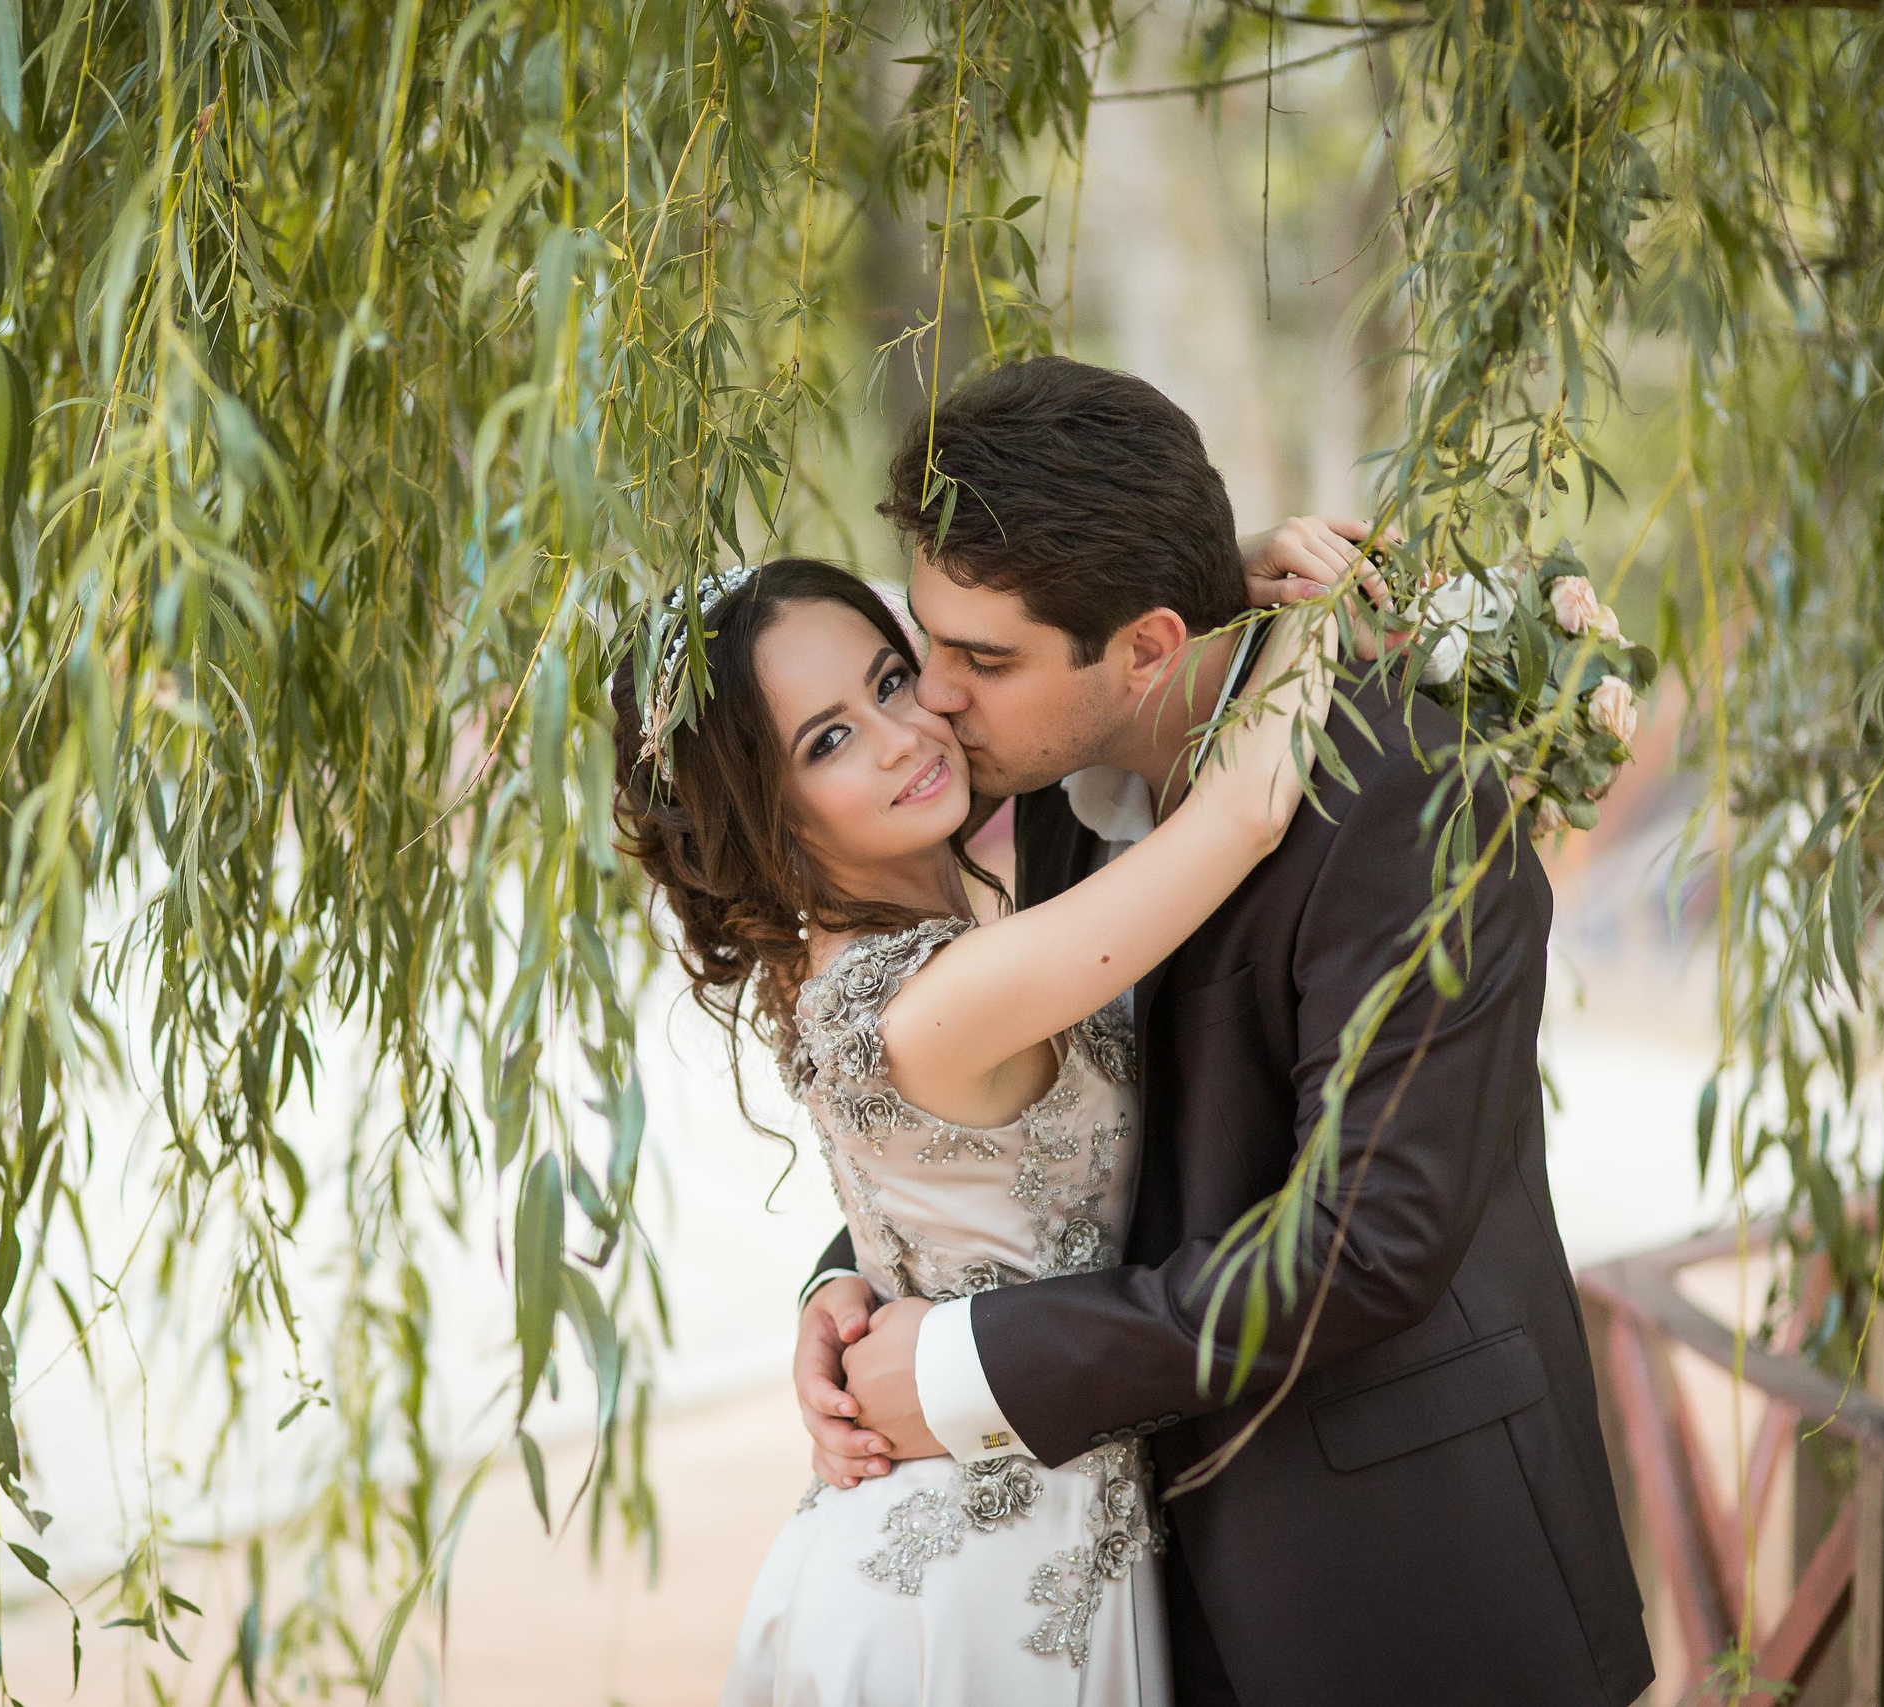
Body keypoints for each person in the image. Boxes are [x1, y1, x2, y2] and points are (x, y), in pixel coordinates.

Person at [791, 357, 1654, 1707]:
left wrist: (973, 1361)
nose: (939, 701)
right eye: (929, 645)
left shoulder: (1404, 800)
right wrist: (856, 1277)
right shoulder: (1072, 791)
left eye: (984, 659)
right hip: (1150, 1599)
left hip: (1403, 1586)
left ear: (1143, 646)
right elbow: (1066, 1121)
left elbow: (1365, 1248)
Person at [612, 544, 1335, 1704]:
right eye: (828, 740)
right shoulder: (945, 994)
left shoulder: (850, 957)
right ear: (767, 816)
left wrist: (1173, 585)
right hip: (980, 1586)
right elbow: (1247, 809)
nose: (904, 735)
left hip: (1009, 1512)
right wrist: (1317, 603)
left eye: (889, 682)